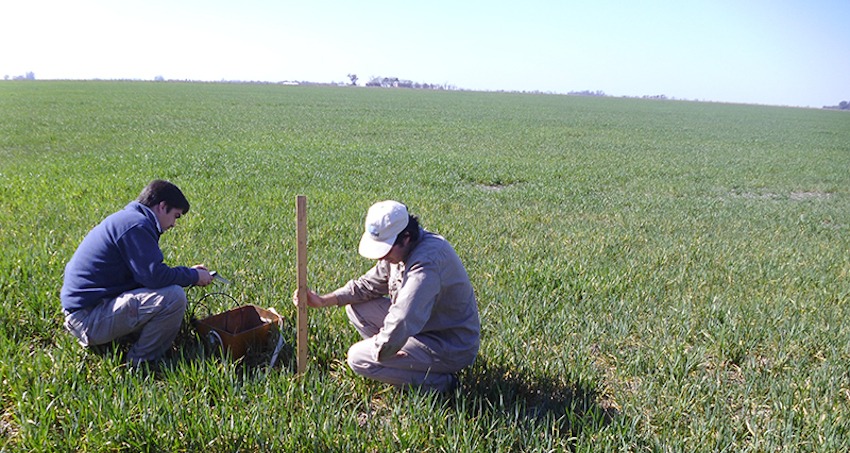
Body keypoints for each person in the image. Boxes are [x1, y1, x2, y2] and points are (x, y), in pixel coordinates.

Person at [294, 200, 480, 392]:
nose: (382, 257)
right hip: (423, 329)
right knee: (356, 307)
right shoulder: (398, 253)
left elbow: (403, 317)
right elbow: (366, 287)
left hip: (447, 345)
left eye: (386, 250)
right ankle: (405, 364)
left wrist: (379, 354)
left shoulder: (427, 263)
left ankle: (442, 384)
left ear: (406, 237)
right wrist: (324, 300)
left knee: (359, 359)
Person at [60, 179, 213, 368]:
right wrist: (193, 276)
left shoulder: (130, 220)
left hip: (89, 310)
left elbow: (145, 275)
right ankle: (142, 362)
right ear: (162, 206)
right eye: (176, 216)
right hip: (87, 319)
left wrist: (190, 273)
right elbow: (154, 277)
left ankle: (125, 339)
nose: (174, 224)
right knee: (174, 297)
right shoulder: (137, 225)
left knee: (165, 294)